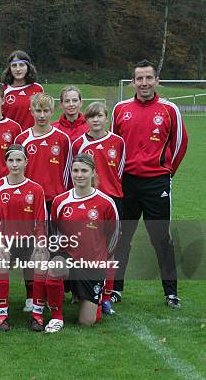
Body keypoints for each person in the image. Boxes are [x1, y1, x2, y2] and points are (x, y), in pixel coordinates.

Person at [111, 59, 188, 308]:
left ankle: (171, 293)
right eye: (139, 78)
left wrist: (167, 172)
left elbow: (180, 144)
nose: (144, 83)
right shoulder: (120, 109)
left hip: (157, 183)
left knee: (161, 239)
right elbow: (114, 145)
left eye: (148, 78)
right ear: (133, 82)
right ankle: (115, 290)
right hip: (127, 183)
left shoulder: (169, 109)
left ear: (157, 80)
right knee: (122, 237)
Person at [40, 154, 120, 332]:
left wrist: (101, 259)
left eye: (84, 170)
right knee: (55, 268)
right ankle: (56, 317)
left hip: (92, 264)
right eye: (75, 170)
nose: (79, 175)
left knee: (87, 322)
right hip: (68, 258)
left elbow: (113, 236)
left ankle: (96, 301)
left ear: (93, 173)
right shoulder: (60, 201)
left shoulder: (106, 203)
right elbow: (53, 233)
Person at [72, 101, 125, 314]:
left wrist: (111, 193)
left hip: (111, 200)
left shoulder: (118, 141)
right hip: (86, 202)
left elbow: (120, 171)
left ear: (106, 117)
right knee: (83, 246)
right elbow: (73, 172)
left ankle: (106, 296)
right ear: (86, 120)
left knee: (109, 249)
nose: (95, 120)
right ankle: (80, 291)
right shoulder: (79, 143)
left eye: (99, 116)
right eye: (91, 117)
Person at [0, 145, 47, 331]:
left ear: (26, 162)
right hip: (6, 242)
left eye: (18, 160)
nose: (14, 164)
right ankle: (1, 315)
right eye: (11, 160)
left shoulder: (36, 189)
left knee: (40, 260)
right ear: (5, 162)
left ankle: (37, 313)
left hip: (29, 242)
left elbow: (41, 223)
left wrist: (40, 244)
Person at [14, 93, 71, 210]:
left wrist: (62, 194)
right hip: (28, 197)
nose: (42, 115)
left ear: (52, 112)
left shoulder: (63, 139)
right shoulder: (21, 139)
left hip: (55, 198)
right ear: (31, 111)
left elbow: (67, 170)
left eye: (46, 111)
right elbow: (16, 170)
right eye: (38, 111)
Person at [1, 50, 43, 129]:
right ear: (9, 69)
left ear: (28, 67)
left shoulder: (38, 89)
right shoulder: (2, 89)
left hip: (30, 138)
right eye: (14, 66)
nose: (18, 69)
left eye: (21, 65)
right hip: (9, 137)